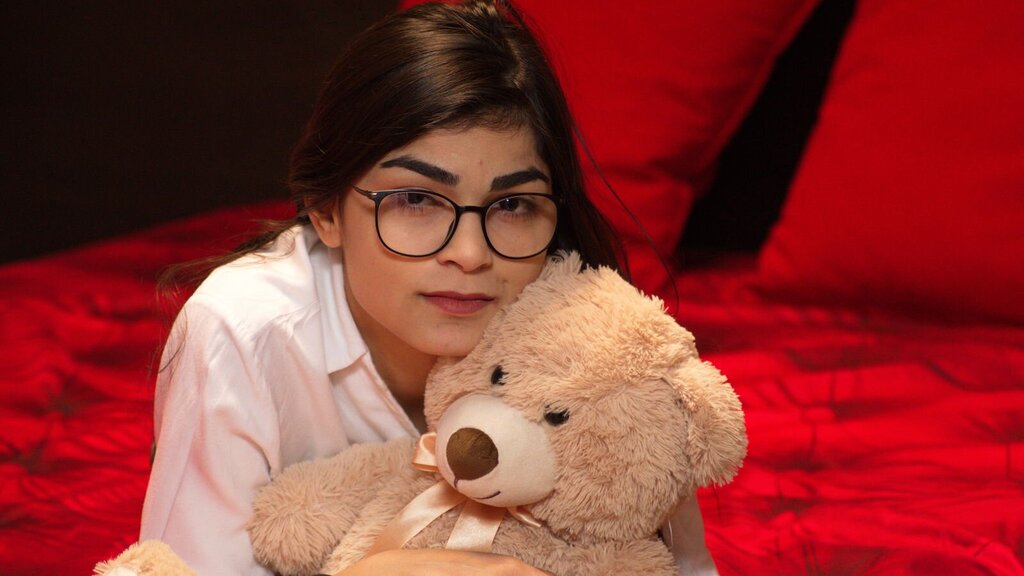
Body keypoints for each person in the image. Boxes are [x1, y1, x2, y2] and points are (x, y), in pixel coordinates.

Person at [139, 1, 718, 574]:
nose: (470, 254)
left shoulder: (599, 341)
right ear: (325, 209)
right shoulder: (241, 329)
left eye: (512, 205)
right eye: (416, 199)